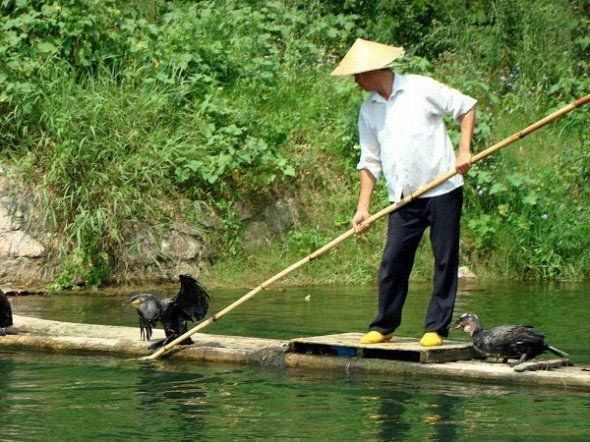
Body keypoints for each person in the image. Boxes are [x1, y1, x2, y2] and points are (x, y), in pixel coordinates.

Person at [331, 38, 476, 347]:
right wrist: (363, 207)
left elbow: (466, 107)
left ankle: (436, 328)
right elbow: (369, 161)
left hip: (443, 189)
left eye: (358, 74)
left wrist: (464, 151)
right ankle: (384, 326)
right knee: (393, 262)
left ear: (373, 70)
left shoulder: (420, 88)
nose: (356, 81)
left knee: (444, 259)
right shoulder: (368, 110)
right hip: (403, 197)